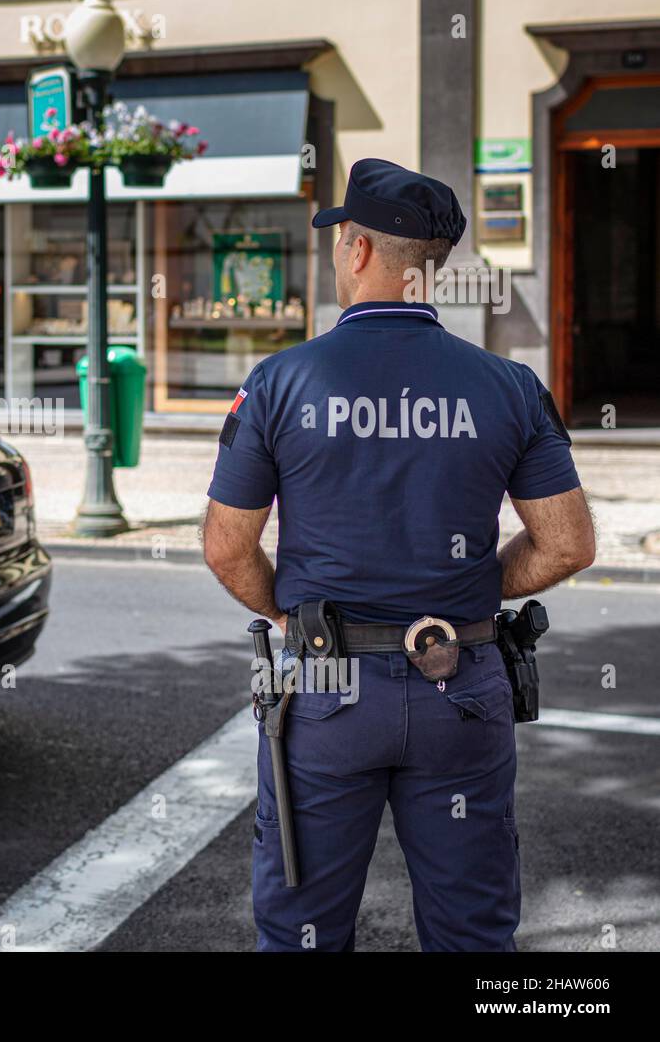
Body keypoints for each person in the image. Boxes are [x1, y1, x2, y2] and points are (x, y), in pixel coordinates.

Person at [202, 158, 596, 953]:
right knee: (473, 934)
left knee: (303, 930)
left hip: (325, 681)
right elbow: (568, 544)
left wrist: (291, 616)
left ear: (353, 250)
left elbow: (227, 547)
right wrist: (473, 590)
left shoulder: (281, 381)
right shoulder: (508, 386)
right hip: (462, 683)